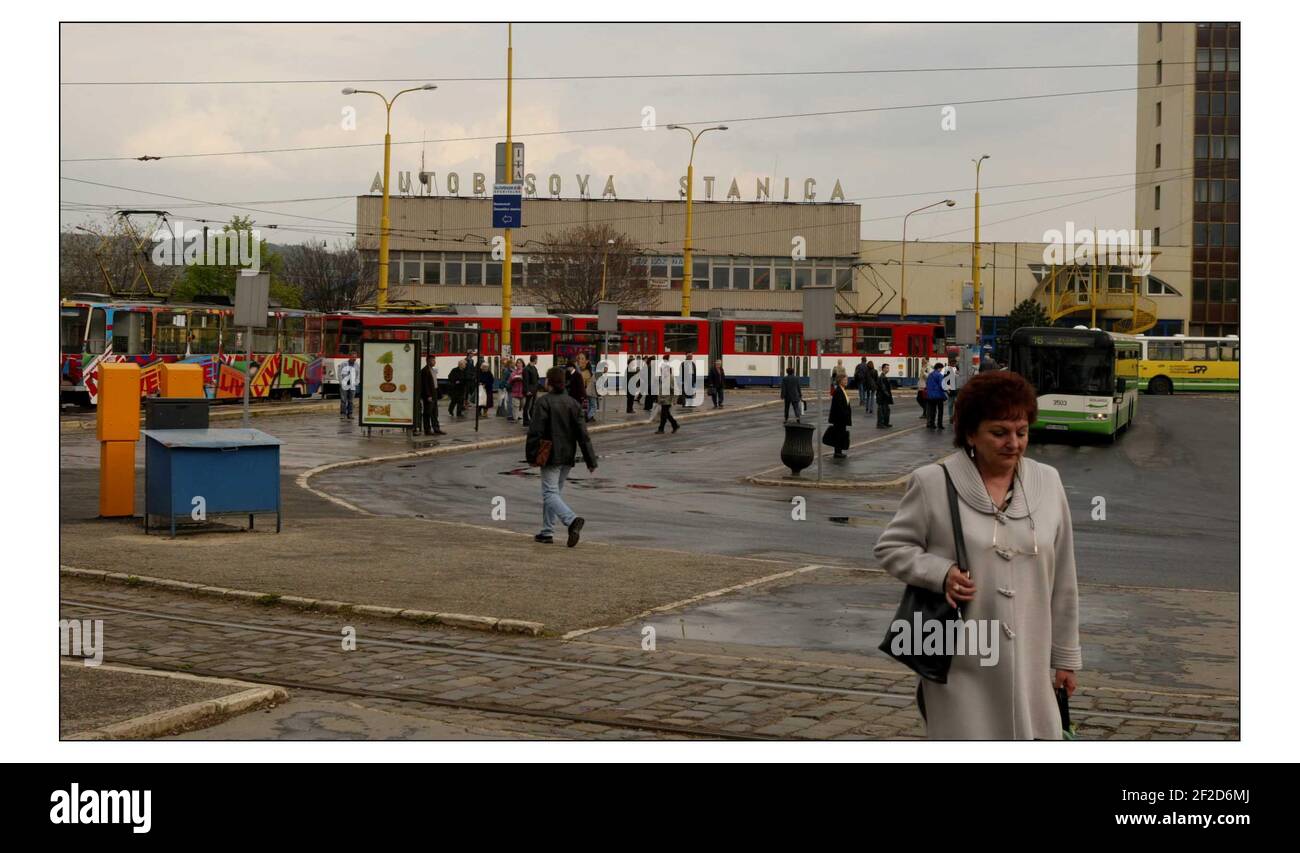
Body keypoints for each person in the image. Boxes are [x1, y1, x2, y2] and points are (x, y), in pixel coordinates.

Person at [873, 370, 1081, 739]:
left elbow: (1063, 578)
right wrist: (940, 572)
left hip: (1030, 664)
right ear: (970, 433)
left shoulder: (1048, 482)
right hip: (963, 659)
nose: (1013, 443)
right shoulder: (933, 482)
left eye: (1021, 431)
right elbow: (891, 548)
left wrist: (1065, 658)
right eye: (999, 432)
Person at [528, 367, 597, 547]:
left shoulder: (543, 402)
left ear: (549, 382)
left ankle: (572, 520)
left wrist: (531, 455)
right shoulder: (573, 403)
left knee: (549, 493)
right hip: (567, 455)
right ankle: (547, 531)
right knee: (554, 493)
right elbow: (583, 435)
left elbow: (535, 431)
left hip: (550, 453)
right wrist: (590, 460)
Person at [826, 372, 852, 459]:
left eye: (846, 379)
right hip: (839, 418)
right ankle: (837, 452)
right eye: (845, 380)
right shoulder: (838, 391)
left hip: (842, 418)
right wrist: (844, 414)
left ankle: (839, 451)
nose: (846, 381)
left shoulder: (842, 390)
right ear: (840, 381)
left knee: (840, 434)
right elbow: (839, 406)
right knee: (838, 434)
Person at [418, 353, 445, 436]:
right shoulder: (425, 371)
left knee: (434, 412)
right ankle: (427, 430)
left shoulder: (433, 370)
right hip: (429, 395)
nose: (434, 362)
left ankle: (436, 428)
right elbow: (425, 384)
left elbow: (435, 383)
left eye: (434, 360)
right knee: (427, 413)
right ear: (428, 361)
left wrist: (439, 393)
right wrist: (428, 395)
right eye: (432, 360)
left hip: (434, 394)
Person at [656, 355, 679, 433]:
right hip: (663, 399)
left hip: (668, 399)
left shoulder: (671, 378)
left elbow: (675, 390)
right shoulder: (662, 378)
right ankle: (675, 425)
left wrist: (674, 400)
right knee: (667, 414)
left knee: (663, 414)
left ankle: (661, 429)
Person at [925, 362, 947, 430]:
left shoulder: (930, 375)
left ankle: (932, 424)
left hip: (930, 396)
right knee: (940, 411)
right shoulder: (939, 375)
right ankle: (939, 424)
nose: (941, 370)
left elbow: (927, 384)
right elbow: (942, 385)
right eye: (941, 368)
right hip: (938, 396)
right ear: (939, 368)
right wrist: (946, 390)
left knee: (932, 410)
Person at [522, 354, 540, 426]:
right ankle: (526, 420)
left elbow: (537, 377)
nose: (537, 361)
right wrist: (527, 390)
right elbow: (525, 381)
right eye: (536, 359)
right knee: (527, 405)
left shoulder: (534, 368)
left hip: (534, 389)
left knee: (532, 405)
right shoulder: (527, 369)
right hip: (529, 390)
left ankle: (531, 419)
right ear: (535, 360)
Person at [876, 363, 895, 428]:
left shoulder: (883, 376)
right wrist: (887, 395)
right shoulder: (882, 377)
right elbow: (883, 388)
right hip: (882, 397)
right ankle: (880, 424)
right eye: (887, 368)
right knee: (882, 411)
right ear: (883, 368)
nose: (888, 369)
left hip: (883, 397)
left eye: (888, 368)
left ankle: (885, 423)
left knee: (886, 410)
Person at [942, 359, 959, 424]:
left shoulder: (952, 370)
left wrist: (947, 389)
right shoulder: (950, 370)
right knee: (953, 404)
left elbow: (945, 380)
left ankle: (951, 417)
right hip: (954, 390)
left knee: (950, 405)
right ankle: (952, 417)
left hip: (952, 390)